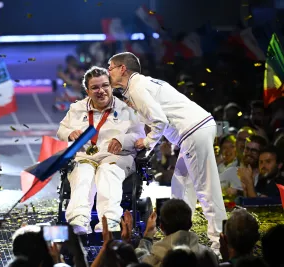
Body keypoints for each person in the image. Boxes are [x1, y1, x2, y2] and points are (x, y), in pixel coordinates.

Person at [107, 52, 226, 252]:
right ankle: (180, 238)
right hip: (195, 130)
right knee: (180, 185)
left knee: (206, 190)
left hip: (194, 131)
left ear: (122, 69)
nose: (107, 72)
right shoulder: (140, 85)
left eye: (110, 67)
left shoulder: (138, 88)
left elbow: (159, 121)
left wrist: (146, 143)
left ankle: (219, 246)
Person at [57, 66, 145, 234]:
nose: (101, 91)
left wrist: (122, 139)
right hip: (85, 157)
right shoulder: (77, 109)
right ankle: (79, 220)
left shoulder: (126, 109)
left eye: (105, 85)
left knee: (107, 171)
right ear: (87, 91)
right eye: (95, 87)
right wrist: (69, 133)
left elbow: (139, 136)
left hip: (116, 156)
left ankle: (109, 221)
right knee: (83, 174)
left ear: (111, 86)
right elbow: (61, 130)